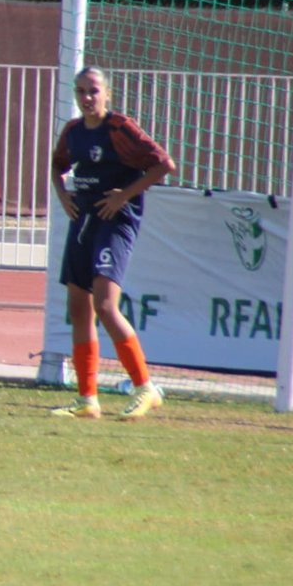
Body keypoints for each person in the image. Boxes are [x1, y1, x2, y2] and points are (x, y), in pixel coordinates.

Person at [50, 66, 176, 419]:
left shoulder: (121, 128)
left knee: (105, 306)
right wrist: (63, 195)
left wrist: (124, 196)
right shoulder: (73, 131)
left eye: (93, 91)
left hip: (115, 222)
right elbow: (57, 165)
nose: (86, 98)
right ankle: (87, 399)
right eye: (80, 92)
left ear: (107, 93)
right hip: (84, 220)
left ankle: (145, 387)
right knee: (79, 309)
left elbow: (164, 164)